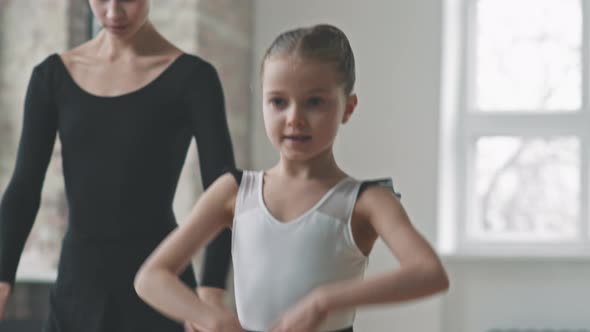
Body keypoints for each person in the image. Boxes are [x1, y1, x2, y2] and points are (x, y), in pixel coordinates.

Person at [134, 24, 450, 332]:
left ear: (348, 108)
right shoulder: (235, 191)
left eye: (314, 102)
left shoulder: (366, 201)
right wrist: (214, 319)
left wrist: (323, 301)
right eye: (278, 102)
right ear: (263, 103)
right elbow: (151, 277)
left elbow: (429, 273)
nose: (294, 118)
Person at [0, 1, 235, 331]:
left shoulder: (194, 79)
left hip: (162, 292)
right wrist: (2, 276)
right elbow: (24, 188)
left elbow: (223, 191)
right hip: (76, 292)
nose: (113, 12)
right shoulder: (52, 77)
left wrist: (211, 291)